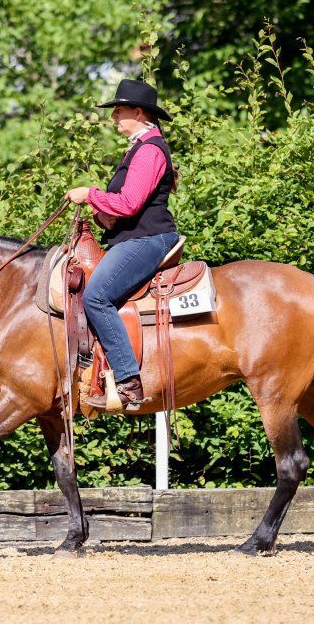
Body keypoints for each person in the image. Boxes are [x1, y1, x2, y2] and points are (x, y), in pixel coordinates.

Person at [65, 79, 179, 411]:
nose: (114, 116)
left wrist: (90, 195)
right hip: (135, 236)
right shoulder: (139, 148)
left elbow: (128, 203)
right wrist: (102, 214)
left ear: (139, 112)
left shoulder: (150, 150)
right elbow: (123, 208)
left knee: (96, 296)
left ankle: (128, 378)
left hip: (148, 239)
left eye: (119, 110)